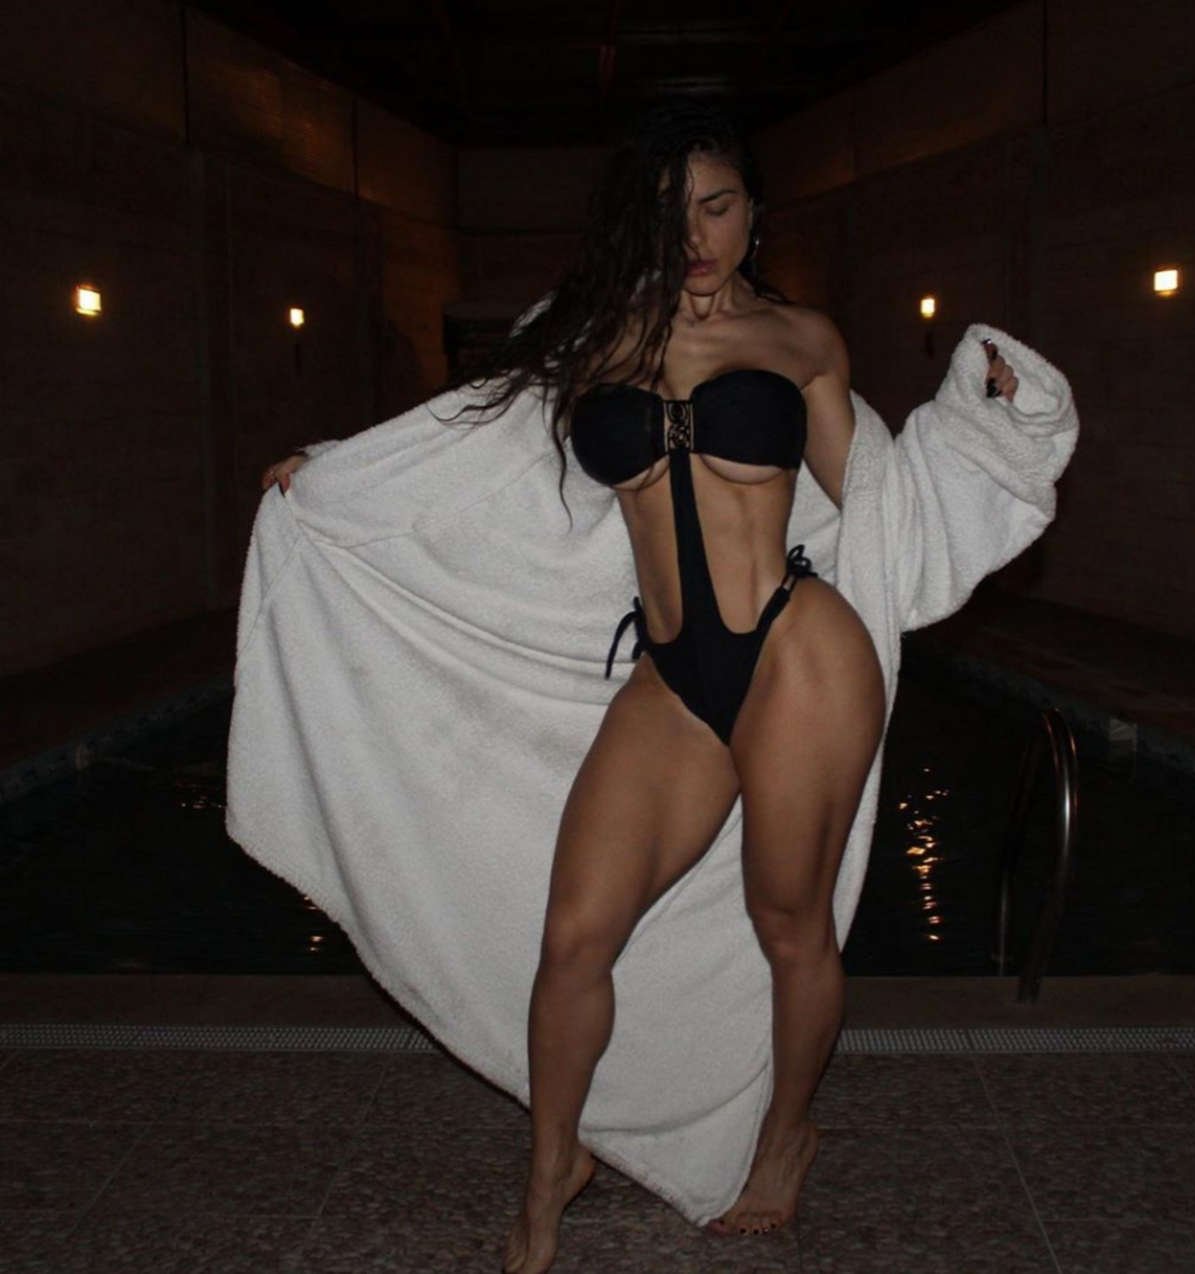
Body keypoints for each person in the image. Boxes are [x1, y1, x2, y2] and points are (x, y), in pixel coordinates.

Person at [256, 102, 1033, 1274]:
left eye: (717, 207)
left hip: (796, 655)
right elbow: (466, 449)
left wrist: (983, 419)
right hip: (673, 674)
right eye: (672, 215)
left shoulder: (800, 337)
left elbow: (881, 501)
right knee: (572, 932)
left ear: (755, 212)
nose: (696, 236)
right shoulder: (592, 339)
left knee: (787, 920)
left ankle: (785, 1135)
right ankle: (549, 1167)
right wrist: (335, 477)